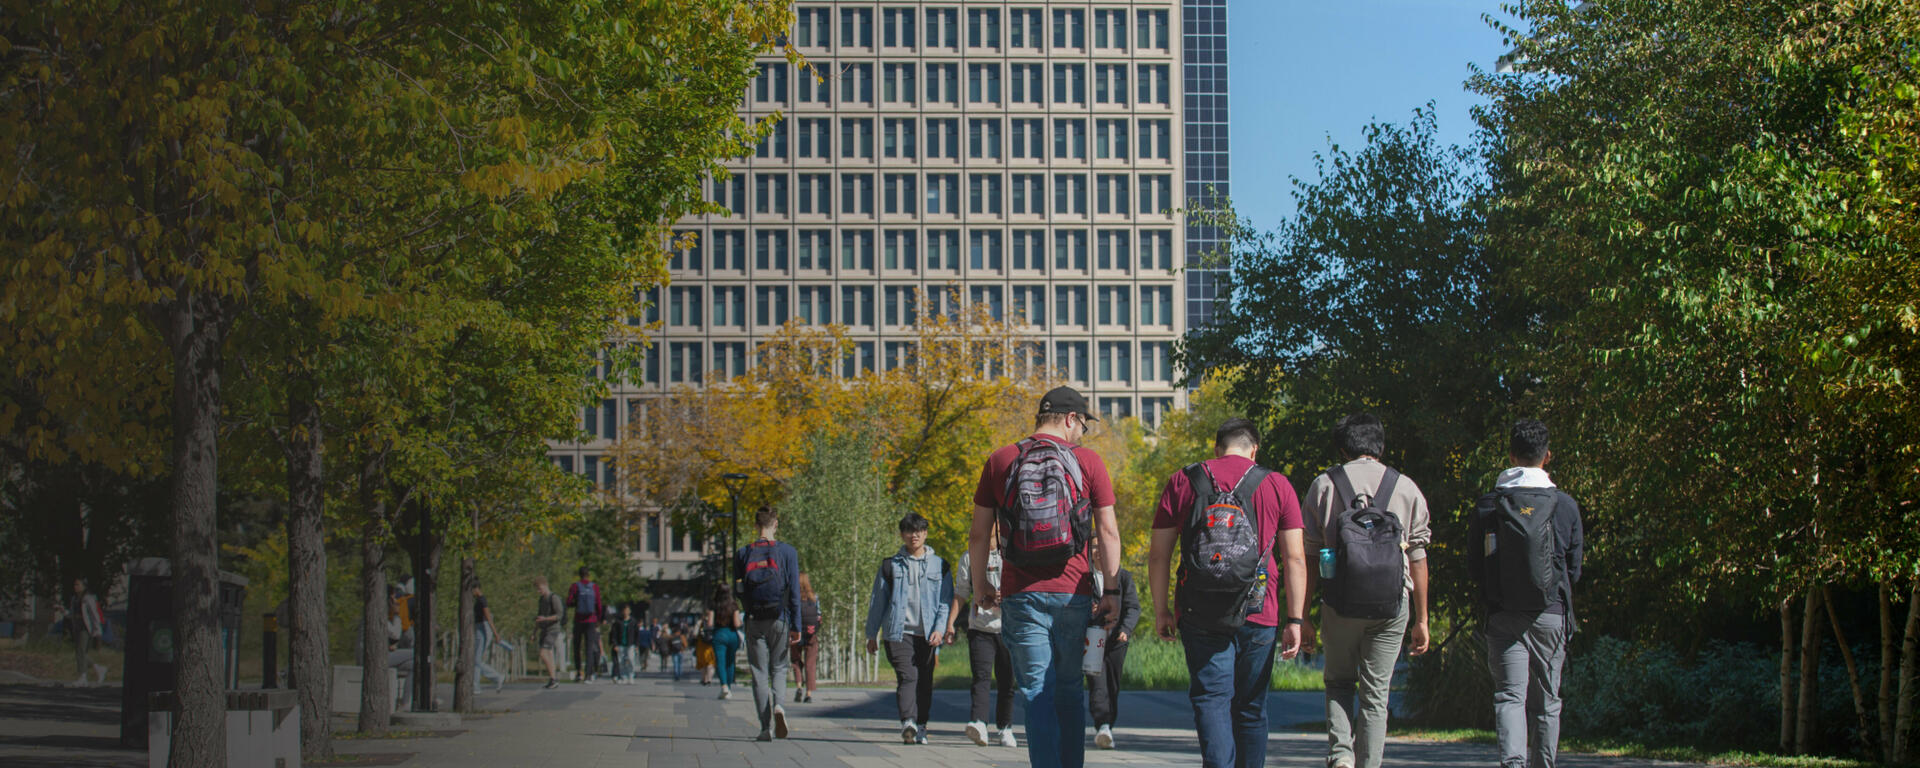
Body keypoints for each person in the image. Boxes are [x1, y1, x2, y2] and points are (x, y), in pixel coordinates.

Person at [969, 386, 1123, 768]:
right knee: (1070, 691)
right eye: (1083, 426)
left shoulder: (1001, 459)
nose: (1083, 435)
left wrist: (980, 585)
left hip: (1020, 593)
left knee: (1036, 691)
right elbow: (1108, 532)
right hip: (1073, 592)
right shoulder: (1088, 462)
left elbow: (977, 534)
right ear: (1071, 419)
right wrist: (1113, 590)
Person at [1148, 417, 1307, 768]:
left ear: (1217, 449)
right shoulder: (1277, 484)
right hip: (1258, 608)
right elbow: (1295, 558)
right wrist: (1295, 619)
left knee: (1210, 698)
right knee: (1251, 707)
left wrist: (1162, 610)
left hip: (1197, 608)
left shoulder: (1182, 480)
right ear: (1254, 449)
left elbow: (1159, 555)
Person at [1303, 413, 1434, 768]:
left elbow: (1310, 557)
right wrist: (1421, 619)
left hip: (1338, 602)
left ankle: (1342, 755)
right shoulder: (1406, 487)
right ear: (1380, 446)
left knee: (1339, 682)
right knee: (1376, 695)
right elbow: (1419, 558)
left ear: (1343, 447)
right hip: (1392, 606)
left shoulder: (1324, 485)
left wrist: (1300, 616)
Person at [1471, 419, 1585, 768]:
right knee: (1548, 700)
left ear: (1510, 455)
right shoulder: (1565, 506)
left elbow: (1476, 567)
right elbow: (1574, 570)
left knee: (1509, 696)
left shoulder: (1489, 505)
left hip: (1503, 615)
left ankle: (1514, 763)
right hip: (1551, 613)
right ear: (1547, 456)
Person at [865, 513, 954, 745]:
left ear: (925, 533)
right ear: (902, 534)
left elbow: (945, 602)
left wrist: (939, 629)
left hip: (927, 634)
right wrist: (871, 633)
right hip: (898, 632)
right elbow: (878, 601)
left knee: (924, 681)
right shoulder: (890, 565)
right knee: (908, 676)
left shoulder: (941, 565)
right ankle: (908, 722)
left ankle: (920, 726)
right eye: (909, 531)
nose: (914, 535)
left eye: (918, 531)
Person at [735, 506, 803, 742]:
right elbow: (795, 591)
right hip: (781, 618)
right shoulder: (787, 552)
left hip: (755, 620)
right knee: (779, 668)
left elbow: (739, 589)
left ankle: (765, 728)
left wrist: (749, 609)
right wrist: (797, 625)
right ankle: (780, 707)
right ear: (776, 524)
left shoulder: (743, 553)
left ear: (756, 526)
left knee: (759, 673)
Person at [952, 525, 1017, 748]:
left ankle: (1005, 728)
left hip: (1009, 628)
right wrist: (950, 623)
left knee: (1007, 681)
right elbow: (961, 592)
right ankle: (979, 722)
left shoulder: (1011, 554)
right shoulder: (969, 557)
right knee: (981, 678)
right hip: (980, 628)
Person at [1087, 558, 1141, 749]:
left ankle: (1108, 726)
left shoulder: (1123, 577)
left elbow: (1133, 607)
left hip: (1117, 640)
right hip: (1092, 638)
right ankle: (1102, 724)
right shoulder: (1085, 577)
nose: (1099, 550)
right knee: (1097, 682)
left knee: (1112, 684)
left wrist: (1126, 629)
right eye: (1094, 545)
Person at [565, 566, 604, 684]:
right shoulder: (594, 587)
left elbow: (568, 602)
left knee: (577, 646)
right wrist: (598, 619)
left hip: (579, 620)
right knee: (589, 647)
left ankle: (578, 672)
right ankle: (588, 674)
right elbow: (598, 604)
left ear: (579, 574)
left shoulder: (575, 586)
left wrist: (576, 603)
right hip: (591, 621)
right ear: (589, 574)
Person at [67, 579, 108, 686]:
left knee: (80, 651)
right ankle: (98, 668)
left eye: (77, 584)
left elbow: (94, 615)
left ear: (84, 586)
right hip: (77, 626)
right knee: (80, 652)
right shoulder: (74, 598)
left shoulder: (88, 598)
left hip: (86, 628)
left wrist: (97, 631)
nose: (75, 586)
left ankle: (83, 676)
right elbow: (72, 612)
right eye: (74, 584)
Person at [471, 584, 508, 692]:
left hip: (483, 628)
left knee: (476, 660)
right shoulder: (478, 600)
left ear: (476, 588)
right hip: (479, 628)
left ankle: (496, 677)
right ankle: (476, 686)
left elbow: (488, 618)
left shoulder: (482, 600)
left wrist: (496, 634)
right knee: (476, 660)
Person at [707, 588, 742, 699]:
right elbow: (737, 624)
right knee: (730, 662)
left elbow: (710, 623)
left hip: (719, 634)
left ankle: (724, 687)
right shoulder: (734, 605)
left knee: (720, 662)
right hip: (732, 635)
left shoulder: (714, 604)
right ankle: (729, 688)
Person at [791, 574, 821, 703]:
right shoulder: (814, 598)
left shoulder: (792, 598)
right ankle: (808, 694)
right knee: (810, 664)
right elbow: (819, 616)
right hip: (811, 635)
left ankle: (798, 686)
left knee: (796, 661)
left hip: (795, 634)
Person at [533, 576, 564, 689]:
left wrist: (545, 619)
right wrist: (534, 632)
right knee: (549, 654)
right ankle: (553, 679)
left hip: (553, 629)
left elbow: (559, 615)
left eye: (539, 588)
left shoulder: (554, 598)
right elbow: (539, 618)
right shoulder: (541, 600)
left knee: (543, 653)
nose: (538, 591)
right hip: (544, 630)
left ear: (545, 585)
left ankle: (553, 678)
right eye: (537, 589)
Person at [609, 603, 639, 684]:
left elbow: (637, 634)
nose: (626, 612)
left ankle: (631, 675)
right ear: (622, 612)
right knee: (621, 662)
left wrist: (636, 644)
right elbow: (613, 634)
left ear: (629, 611)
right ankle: (623, 677)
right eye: (624, 611)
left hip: (630, 644)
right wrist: (615, 644)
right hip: (621, 644)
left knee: (631, 660)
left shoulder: (633, 621)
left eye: (627, 611)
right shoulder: (618, 622)